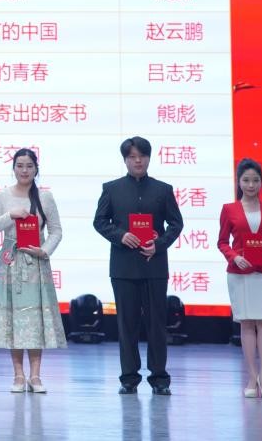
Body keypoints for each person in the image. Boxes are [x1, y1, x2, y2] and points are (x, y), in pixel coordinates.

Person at [92, 136, 184, 396]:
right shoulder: (112, 189)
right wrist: (120, 235)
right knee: (127, 325)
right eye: (132, 157)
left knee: (157, 325)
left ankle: (159, 379)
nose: (138, 161)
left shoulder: (163, 190)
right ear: (125, 160)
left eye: (142, 156)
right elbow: (100, 221)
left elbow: (176, 224)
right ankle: (129, 378)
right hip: (123, 267)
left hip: (154, 266)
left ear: (149, 158)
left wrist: (159, 244)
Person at [0, 147, 66, 394]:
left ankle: (36, 376)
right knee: (14, 317)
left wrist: (44, 250)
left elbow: (56, 231)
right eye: (20, 166)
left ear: (36, 169)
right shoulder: (3, 196)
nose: (24, 170)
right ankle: (18, 375)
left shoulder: (45, 197)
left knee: (34, 318)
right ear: (13, 169)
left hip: (36, 262)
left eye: (29, 166)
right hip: (10, 262)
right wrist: (10, 215)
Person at [217, 158, 262, 399]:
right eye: (246, 180)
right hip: (240, 273)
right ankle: (251, 377)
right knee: (246, 323)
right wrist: (234, 257)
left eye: (255, 180)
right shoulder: (229, 209)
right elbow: (222, 242)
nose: (251, 185)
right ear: (239, 182)